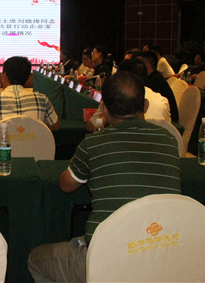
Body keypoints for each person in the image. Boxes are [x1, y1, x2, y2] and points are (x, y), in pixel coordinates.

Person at [27, 71, 181, 283]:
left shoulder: (94, 143)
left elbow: (66, 185)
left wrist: (78, 160)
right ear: (145, 106)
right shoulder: (169, 140)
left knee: (36, 260)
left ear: (105, 110)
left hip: (108, 259)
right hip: (161, 253)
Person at [0, 56, 61, 131]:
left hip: (3, 144)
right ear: (27, 78)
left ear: (4, 77)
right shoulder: (42, 99)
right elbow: (56, 126)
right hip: (34, 144)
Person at [86, 58, 171, 132]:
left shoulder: (112, 96)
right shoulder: (162, 100)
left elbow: (91, 127)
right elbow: (169, 128)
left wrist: (109, 117)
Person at [138, 50, 179, 123]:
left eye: (139, 65)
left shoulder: (154, 82)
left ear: (147, 65)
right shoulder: (155, 77)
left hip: (168, 122)